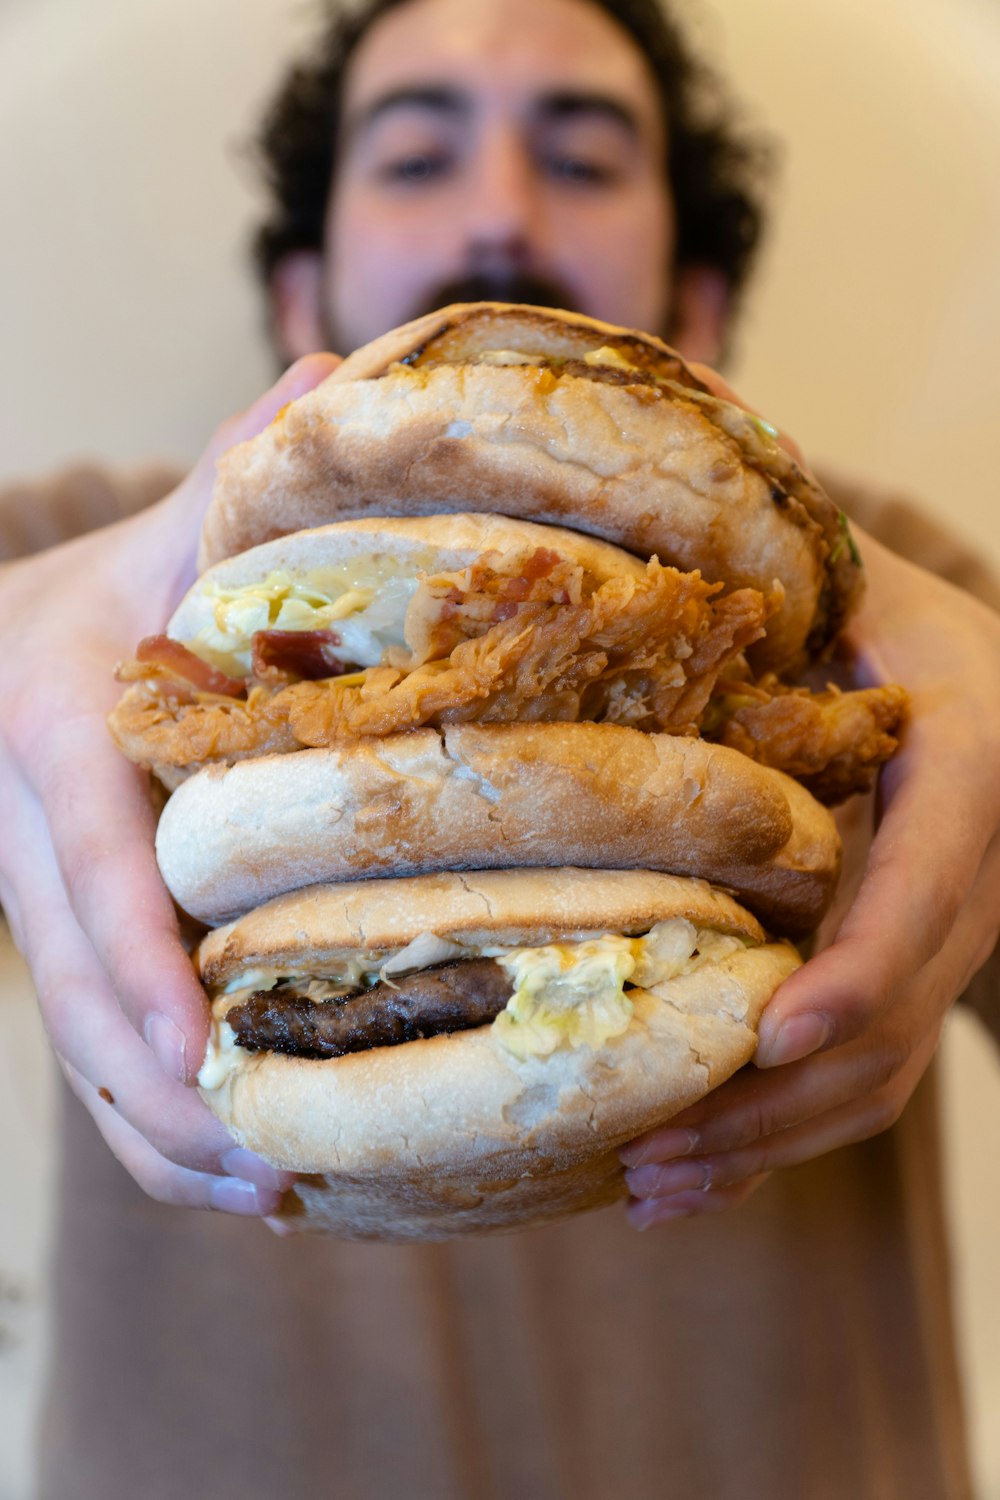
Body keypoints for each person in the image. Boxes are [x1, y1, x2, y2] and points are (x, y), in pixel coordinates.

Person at [0, 0, 997, 1494]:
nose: (500, 212)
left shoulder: (901, 606)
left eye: (585, 160)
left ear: (699, 314)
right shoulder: (78, 570)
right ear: (298, 305)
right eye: (416, 158)